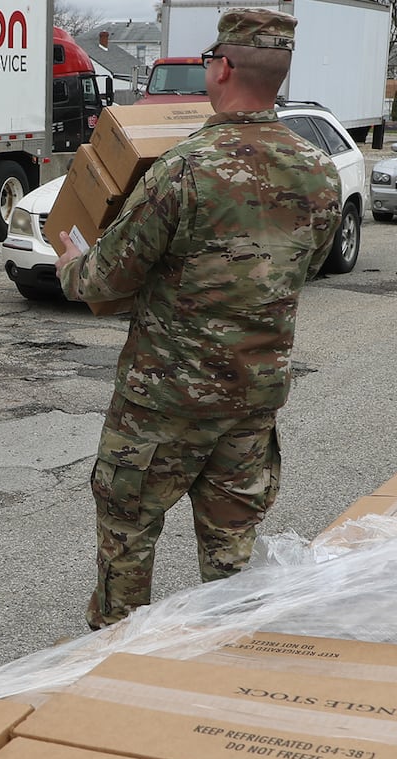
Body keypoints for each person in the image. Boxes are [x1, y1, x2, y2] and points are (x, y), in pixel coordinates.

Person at [55, 7, 342, 630]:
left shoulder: (186, 167)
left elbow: (105, 278)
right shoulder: (319, 172)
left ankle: (116, 671)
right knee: (231, 556)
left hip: (165, 401)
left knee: (128, 537)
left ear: (225, 68)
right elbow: (305, 266)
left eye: (210, 60)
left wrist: (73, 260)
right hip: (251, 398)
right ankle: (225, 673)